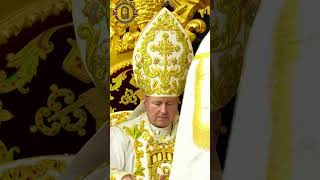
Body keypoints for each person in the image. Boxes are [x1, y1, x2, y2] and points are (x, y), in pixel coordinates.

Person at [110, 7, 194, 180]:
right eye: (157, 103)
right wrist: (123, 177)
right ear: (145, 101)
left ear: (178, 102)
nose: (163, 111)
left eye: (169, 104)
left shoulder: (191, 136)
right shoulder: (122, 135)